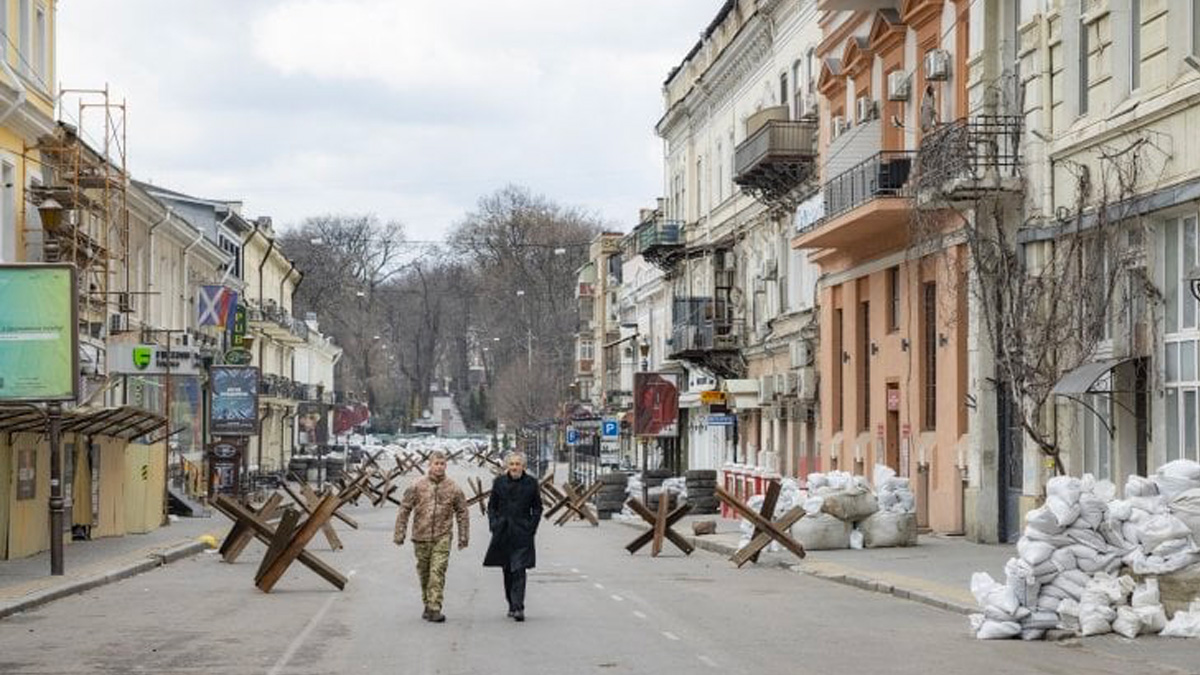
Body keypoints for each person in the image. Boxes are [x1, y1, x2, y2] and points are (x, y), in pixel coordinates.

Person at [393, 450, 469, 623]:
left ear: (446, 466)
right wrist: (399, 533)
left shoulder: (453, 488)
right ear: (429, 465)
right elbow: (404, 509)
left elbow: (462, 512)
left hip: (443, 536)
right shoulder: (417, 485)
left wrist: (463, 537)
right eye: (436, 463)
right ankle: (427, 604)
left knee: (437, 572)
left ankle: (435, 608)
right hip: (421, 535)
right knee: (425, 573)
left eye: (442, 464)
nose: (439, 467)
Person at [483, 451, 543, 622]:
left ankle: (519, 607)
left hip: (522, 532)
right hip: (502, 531)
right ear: (507, 466)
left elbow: (538, 508)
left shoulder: (531, 483)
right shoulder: (499, 482)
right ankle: (511, 603)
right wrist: (494, 524)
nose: (514, 467)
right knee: (507, 569)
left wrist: (531, 527)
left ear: (523, 466)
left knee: (519, 568)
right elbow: (492, 506)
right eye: (512, 464)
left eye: (518, 464)